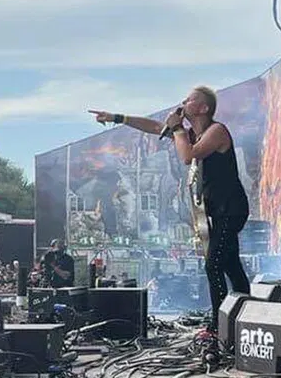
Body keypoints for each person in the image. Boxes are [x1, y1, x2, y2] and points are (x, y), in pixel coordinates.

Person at [89, 86, 251, 332]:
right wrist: (117, 118)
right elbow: (154, 127)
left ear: (203, 108)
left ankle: (219, 326)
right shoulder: (190, 134)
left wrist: (176, 128)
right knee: (230, 264)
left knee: (213, 264)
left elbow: (188, 156)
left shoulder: (216, 131)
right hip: (215, 210)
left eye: (190, 99)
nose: (183, 102)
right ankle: (244, 317)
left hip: (231, 208)